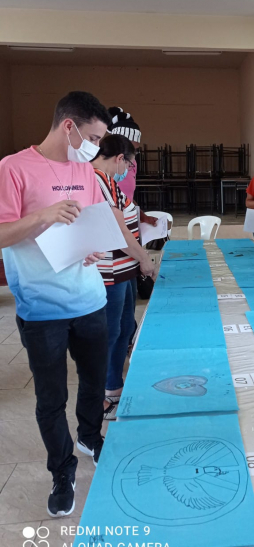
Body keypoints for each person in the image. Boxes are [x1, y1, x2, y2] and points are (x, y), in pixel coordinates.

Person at [0, 91, 111, 518]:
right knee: (50, 398)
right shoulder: (14, 168)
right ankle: (61, 471)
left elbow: (93, 220)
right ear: (69, 126)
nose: (96, 148)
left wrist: (94, 247)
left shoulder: (85, 171)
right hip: (42, 306)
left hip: (89, 299)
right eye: (94, 137)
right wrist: (43, 215)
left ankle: (89, 436)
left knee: (93, 381)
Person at [91, 135, 157, 420]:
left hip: (124, 268)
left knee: (122, 330)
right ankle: (106, 394)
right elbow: (116, 230)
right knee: (112, 331)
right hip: (111, 271)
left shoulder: (109, 181)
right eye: (129, 164)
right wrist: (144, 259)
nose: (128, 169)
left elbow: (127, 213)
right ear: (120, 158)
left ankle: (114, 388)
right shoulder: (96, 180)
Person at [107, 107, 156, 228]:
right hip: (110, 225)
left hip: (127, 222)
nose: (132, 157)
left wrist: (143, 216)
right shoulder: (101, 169)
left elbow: (126, 197)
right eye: (129, 150)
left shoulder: (132, 163)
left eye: (135, 150)